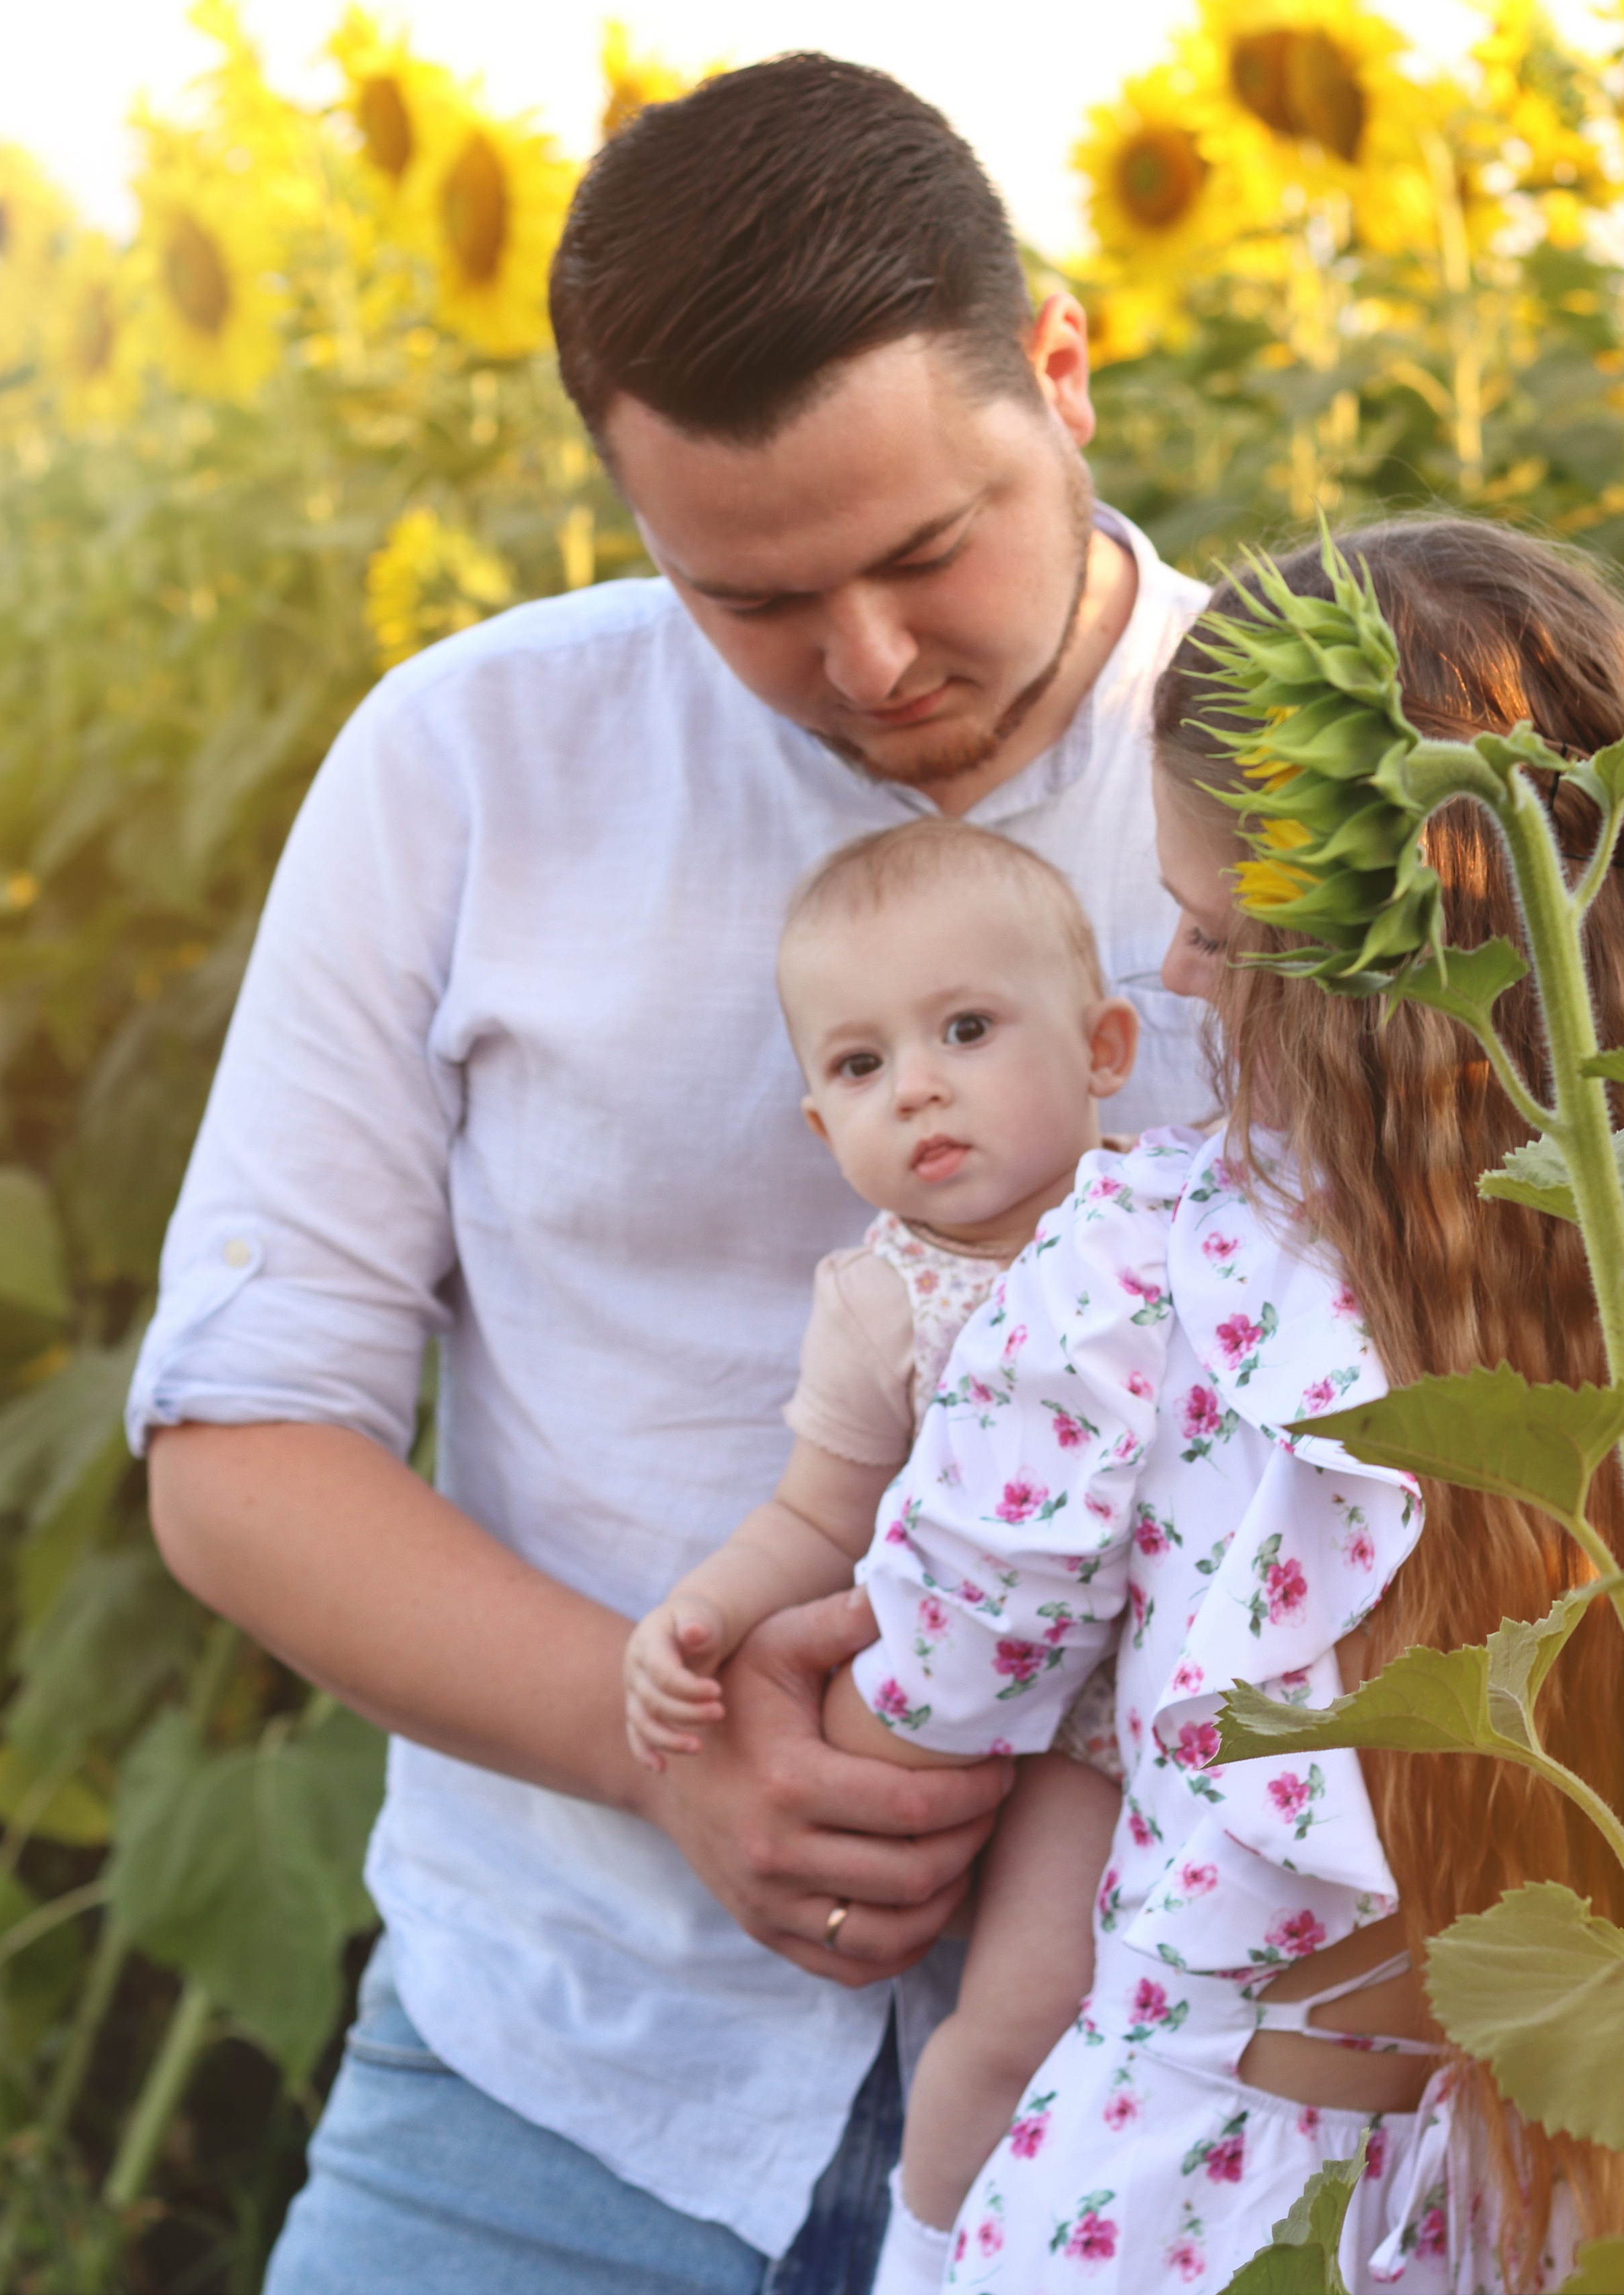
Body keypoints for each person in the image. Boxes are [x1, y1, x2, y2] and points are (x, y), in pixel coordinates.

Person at [130, 54, 1213, 2295]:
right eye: (754, 599)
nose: (874, 664)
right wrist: (674, 1761)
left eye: (931, 548)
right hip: (552, 2068)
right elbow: (242, 1446)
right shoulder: (469, 762)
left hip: (1188, 2097)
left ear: (1065, 369)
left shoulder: (1340, 780)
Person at [820, 519, 1624, 2292]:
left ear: (1372, 981)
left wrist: (811, 1620)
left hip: (1213, 2200)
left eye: (1221, 928)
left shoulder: (1143, 1268)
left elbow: (935, 1697)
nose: (1173, 974)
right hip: (1607, 2194)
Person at [625, 818, 1140, 2241]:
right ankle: (937, 2243)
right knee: (1031, 1998)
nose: (917, 1087)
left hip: (1215, 1684)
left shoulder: (1177, 1214)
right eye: (859, 1065)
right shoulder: (885, 1301)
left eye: (966, 1028)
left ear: (1103, 1045)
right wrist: (702, 1618)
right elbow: (814, 1513)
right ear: (818, 1122)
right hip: (1054, 1727)